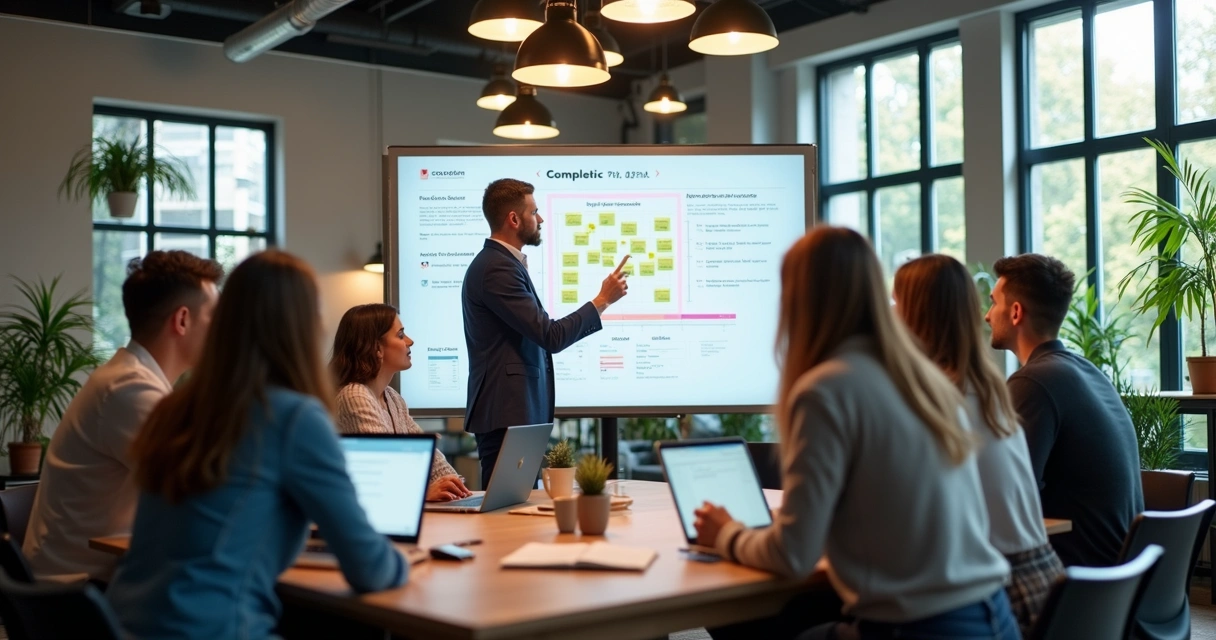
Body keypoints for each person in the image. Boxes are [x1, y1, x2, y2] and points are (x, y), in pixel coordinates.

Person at [694, 227, 1016, 640]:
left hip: (918, 628)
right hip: (993, 618)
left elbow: (793, 555)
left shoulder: (826, 390)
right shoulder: (926, 380)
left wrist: (726, 534)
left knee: (743, 625)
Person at [106, 251, 406, 638]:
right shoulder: (294, 417)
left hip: (125, 625)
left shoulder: (175, 409)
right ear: (303, 327)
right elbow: (371, 569)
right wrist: (408, 561)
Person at [23, 251, 222, 585]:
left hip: (96, 585)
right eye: (214, 318)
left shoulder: (133, 379)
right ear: (182, 320)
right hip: (79, 598)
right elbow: (202, 493)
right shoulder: (129, 390)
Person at [894, 254, 1064, 637]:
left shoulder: (939, 406)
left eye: (894, 303)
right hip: (1047, 587)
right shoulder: (987, 394)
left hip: (1004, 600)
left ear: (911, 318)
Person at [462, 178, 628, 484]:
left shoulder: (504, 265)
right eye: (534, 211)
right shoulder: (497, 268)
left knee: (515, 514)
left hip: (514, 415)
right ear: (514, 219)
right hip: (506, 416)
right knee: (506, 518)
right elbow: (550, 336)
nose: (539, 219)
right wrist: (602, 300)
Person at [985, 253, 1143, 567]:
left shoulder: (1033, 381)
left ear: (1016, 312)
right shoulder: (1085, 370)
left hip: (1078, 583)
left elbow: (1009, 494)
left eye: (993, 302)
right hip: (1119, 582)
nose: (987, 315)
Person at [330, 303, 472, 502]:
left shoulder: (392, 398)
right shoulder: (355, 396)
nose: (410, 341)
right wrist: (423, 494)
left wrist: (455, 486)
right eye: (400, 335)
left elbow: (431, 461)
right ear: (377, 348)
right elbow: (382, 474)